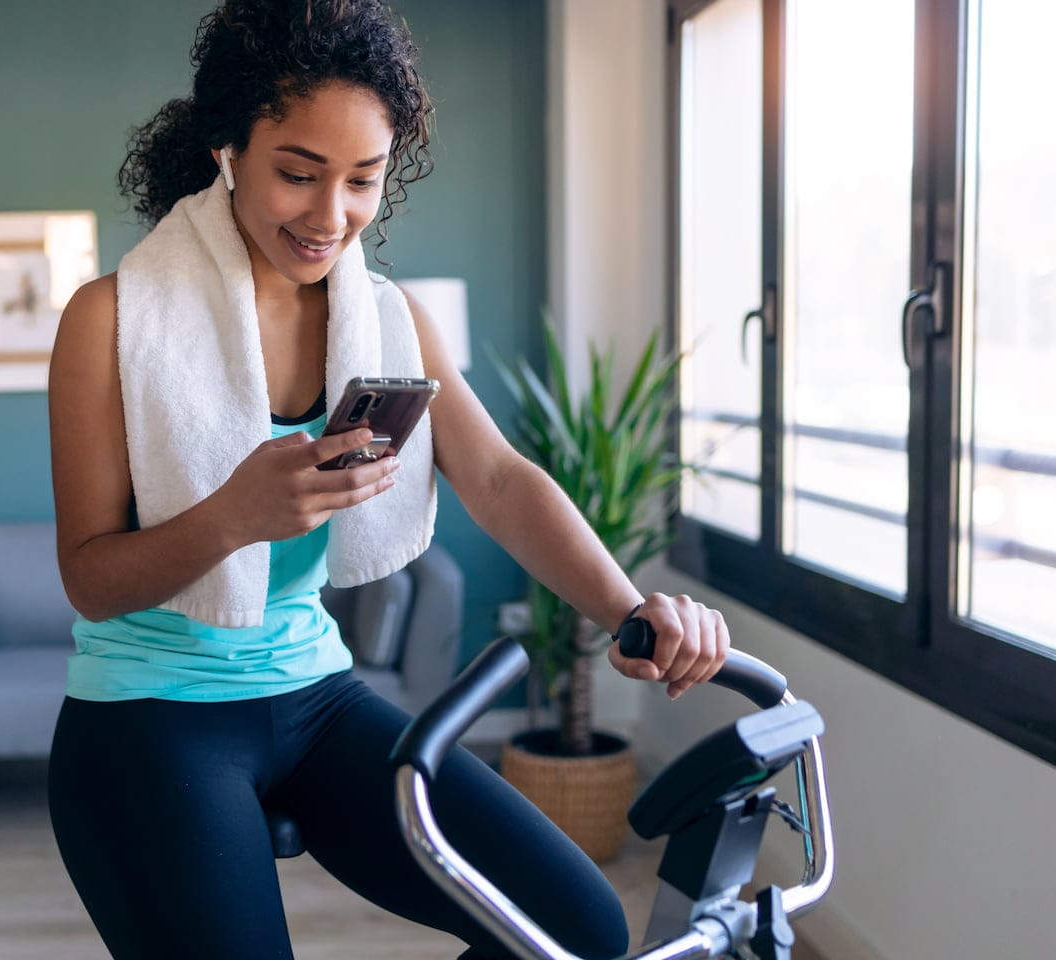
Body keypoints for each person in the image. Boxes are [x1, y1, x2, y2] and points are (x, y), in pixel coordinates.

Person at [45, 2, 732, 958]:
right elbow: (90, 576)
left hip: (316, 697)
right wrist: (236, 516)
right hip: (148, 715)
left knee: (573, 931)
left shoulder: (383, 316)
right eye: (297, 173)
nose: (331, 216)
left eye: (363, 181)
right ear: (227, 147)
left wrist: (629, 609)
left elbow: (493, 475)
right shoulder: (109, 319)